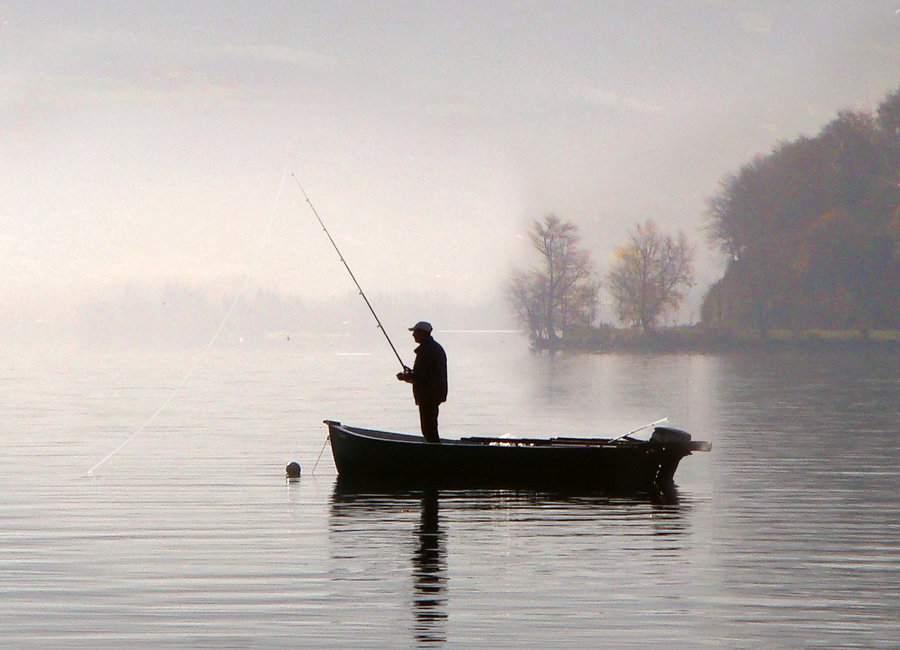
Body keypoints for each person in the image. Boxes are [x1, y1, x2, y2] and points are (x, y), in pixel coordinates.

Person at [397, 321, 447, 443]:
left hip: (429, 395)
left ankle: (435, 454)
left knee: (428, 429)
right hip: (433, 394)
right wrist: (411, 374)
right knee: (429, 428)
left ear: (423, 333)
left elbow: (421, 377)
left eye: (416, 332)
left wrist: (405, 377)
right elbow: (425, 373)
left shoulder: (427, 351)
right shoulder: (432, 348)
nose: (413, 335)